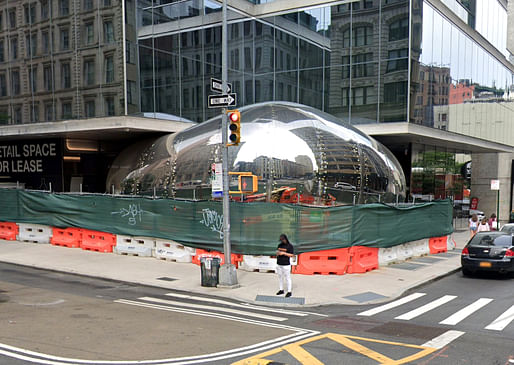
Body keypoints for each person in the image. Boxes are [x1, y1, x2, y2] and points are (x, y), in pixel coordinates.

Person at [276, 234, 294, 298]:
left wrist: (284, 253)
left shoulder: (290, 246)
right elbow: (277, 251)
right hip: (279, 263)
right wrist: (277, 253)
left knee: (287, 278)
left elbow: (291, 255)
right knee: (280, 277)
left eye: (283, 239)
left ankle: (289, 291)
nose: (282, 241)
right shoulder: (280, 245)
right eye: (281, 240)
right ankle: (281, 290)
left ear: (285, 239)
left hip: (286, 264)